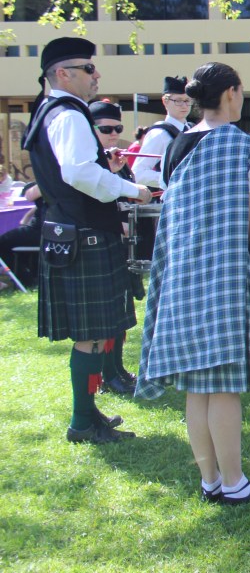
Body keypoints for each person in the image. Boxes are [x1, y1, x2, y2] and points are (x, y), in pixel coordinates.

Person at [136, 62, 250, 505]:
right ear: (231, 92)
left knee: (197, 388)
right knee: (224, 387)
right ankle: (234, 485)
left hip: (181, 276)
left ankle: (210, 481)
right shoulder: (243, 146)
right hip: (226, 277)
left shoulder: (176, 145)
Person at [21, 36, 153, 444]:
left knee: (94, 334)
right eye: (89, 68)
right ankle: (81, 422)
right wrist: (130, 189)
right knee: (92, 335)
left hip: (72, 231)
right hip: (86, 235)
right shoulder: (68, 114)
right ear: (63, 73)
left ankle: (88, 413)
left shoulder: (50, 110)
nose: (97, 75)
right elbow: (78, 172)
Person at [88, 99, 138, 395]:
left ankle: (116, 368)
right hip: (97, 241)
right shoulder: (89, 162)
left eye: (118, 128)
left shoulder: (115, 160)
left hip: (119, 241)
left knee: (122, 311)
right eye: (106, 129)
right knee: (107, 315)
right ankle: (106, 375)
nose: (114, 134)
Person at [131, 75, 193, 189]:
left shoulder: (192, 129)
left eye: (187, 100)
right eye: (178, 101)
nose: (184, 105)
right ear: (165, 101)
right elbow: (138, 173)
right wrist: (171, 178)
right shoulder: (159, 134)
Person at [0, 182, 43, 290]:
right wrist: (27, 216)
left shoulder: (49, 180)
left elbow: (29, 195)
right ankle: (28, 278)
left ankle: (26, 281)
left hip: (40, 229)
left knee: (2, 243)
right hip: (48, 228)